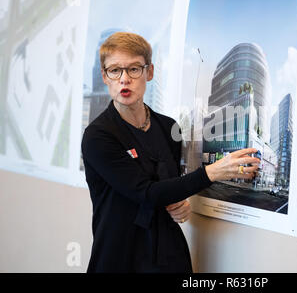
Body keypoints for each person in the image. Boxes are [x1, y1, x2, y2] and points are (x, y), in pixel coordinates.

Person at [81, 32, 260, 273]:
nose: (124, 79)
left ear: (149, 72)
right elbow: (146, 193)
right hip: (118, 258)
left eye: (134, 69)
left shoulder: (169, 127)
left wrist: (180, 203)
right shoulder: (98, 136)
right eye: (115, 70)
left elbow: (169, 187)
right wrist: (213, 172)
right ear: (105, 76)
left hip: (167, 256)